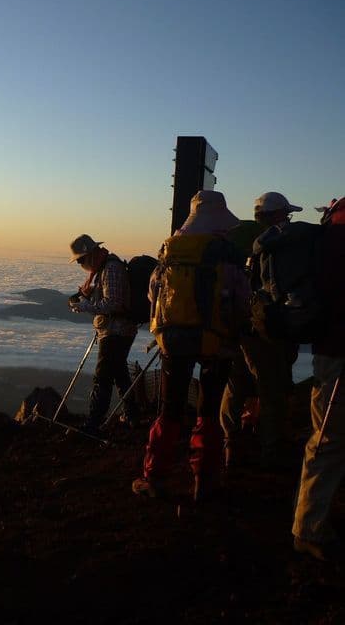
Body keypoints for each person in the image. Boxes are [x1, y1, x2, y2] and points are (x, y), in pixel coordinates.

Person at [133, 190, 250, 501]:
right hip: (218, 340)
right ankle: (204, 480)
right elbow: (241, 298)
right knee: (209, 410)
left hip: (173, 339)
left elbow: (153, 293)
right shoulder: (227, 252)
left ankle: (155, 478)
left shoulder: (170, 249)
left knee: (169, 410)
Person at [221, 192, 301, 469]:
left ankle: (229, 441)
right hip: (264, 326)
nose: (288, 219)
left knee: (236, 384)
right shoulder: (275, 241)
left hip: (236, 323)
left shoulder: (237, 234)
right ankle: (270, 449)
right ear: (276, 214)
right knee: (271, 387)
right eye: (286, 214)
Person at [292, 197, 345, 561]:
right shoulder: (339, 233)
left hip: (330, 348)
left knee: (329, 435)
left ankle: (320, 517)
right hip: (341, 350)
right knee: (329, 439)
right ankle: (309, 528)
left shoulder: (332, 229)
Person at [67, 234, 141, 434]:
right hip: (115, 329)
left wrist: (86, 306)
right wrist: (89, 297)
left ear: (90, 254)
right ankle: (132, 416)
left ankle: (94, 422)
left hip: (117, 330)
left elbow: (114, 303)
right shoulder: (103, 269)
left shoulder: (111, 268)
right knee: (119, 374)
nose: (80, 264)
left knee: (103, 376)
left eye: (81, 260)